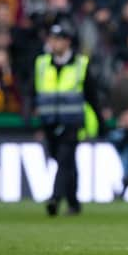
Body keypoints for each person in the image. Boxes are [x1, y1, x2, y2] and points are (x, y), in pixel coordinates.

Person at [34, 17, 106, 216]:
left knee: (65, 160)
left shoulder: (80, 64)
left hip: (72, 122)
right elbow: (32, 91)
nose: (54, 42)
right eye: (52, 38)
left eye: (58, 38)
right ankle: (74, 203)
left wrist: (100, 121)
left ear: (68, 42)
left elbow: (92, 96)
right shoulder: (41, 63)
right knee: (65, 163)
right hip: (49, 122)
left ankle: (55, 198)